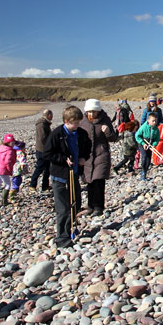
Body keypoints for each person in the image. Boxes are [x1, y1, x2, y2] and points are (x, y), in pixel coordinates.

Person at [44, 106, 90, 248]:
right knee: (63, 208)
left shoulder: (81, 133)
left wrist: (83, 157)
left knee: (76, 203)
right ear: (66, 121)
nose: (77, 125)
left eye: (78, 122)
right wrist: (63, 159)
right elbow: (47, 153)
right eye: (74, 123)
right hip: (60, 176)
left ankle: (70, 228)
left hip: (74, 174)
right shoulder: (57, 134)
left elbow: (88, 147)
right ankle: (62, 237)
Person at [78, 99, 118, 216]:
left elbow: (113, 138)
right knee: (89, 181)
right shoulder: (82, 121)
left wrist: (108, 132)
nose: (91, 114)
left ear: (98, 111)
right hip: (87, 156)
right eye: (89, 112)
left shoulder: (105, 120)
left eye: (94, 112)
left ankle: (98, 207)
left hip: (102, 154)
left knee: (98, 180)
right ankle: (90, 205)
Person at [29, 109, 53, 192]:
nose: (52, 117)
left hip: (45, 150)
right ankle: (32, 185)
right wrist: (50, 145)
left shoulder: (45, 123)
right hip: (42, 150)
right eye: (51, 115)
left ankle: (45, 186)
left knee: (47, 168)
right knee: (39, 167)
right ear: (49, 115)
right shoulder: (41, 124)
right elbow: (43, 138)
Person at [135, 113, 162, 181]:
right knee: (144, 157)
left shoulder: (156, 129)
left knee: (148, 160)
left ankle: (145, 172)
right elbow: (137, 135)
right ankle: (143, 173)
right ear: (148, 120)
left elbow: (157, 138)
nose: (154, 122)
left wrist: (154, 144)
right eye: (153, 121)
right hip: (142, 144)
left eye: (155, 121)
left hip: (150, 145)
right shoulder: (143, 127)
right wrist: (143, 143)